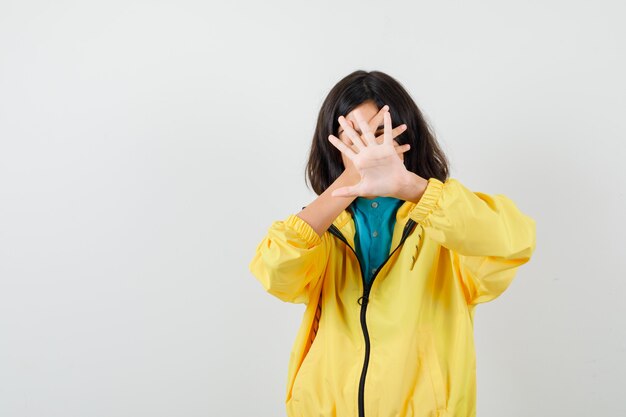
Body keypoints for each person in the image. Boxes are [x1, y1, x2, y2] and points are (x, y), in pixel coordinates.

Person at [248, 70, 536, 417]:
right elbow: (273, 271)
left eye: (380, 133)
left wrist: (412, 188)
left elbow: (513, 241)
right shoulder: (324, 230)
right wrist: (345, 185)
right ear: (332, 146)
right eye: (352, 137)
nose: (368, 148)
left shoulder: (447, 221)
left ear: (407, 136)